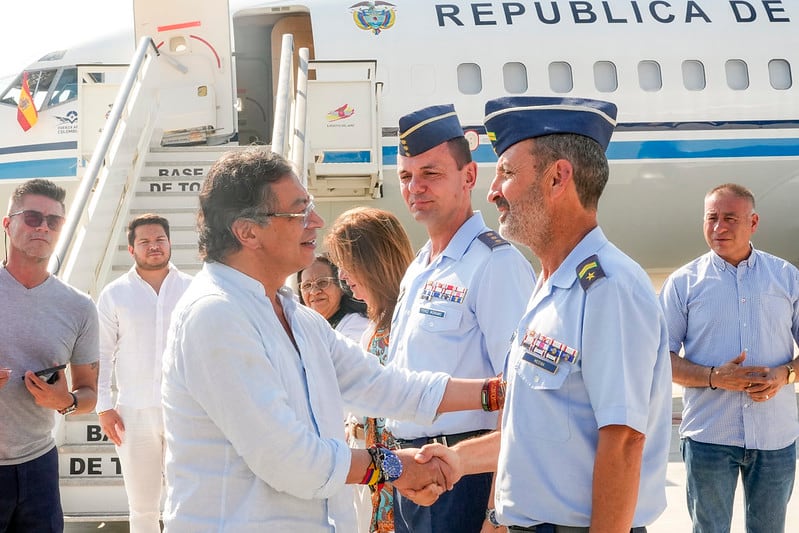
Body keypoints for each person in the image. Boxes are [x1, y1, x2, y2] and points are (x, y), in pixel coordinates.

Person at [160, 147, 487, 531]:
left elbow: (384, 385)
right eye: (298, 212)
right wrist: (396, 467)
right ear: (247, 232)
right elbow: (289, 459)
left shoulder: (295, 317)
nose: (315, 221)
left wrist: (498, 392)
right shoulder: (215, 315)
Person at [419, 96, 673, 532]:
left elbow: (625, 441)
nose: (493, 191)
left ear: (558, 178)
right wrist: (460, 459)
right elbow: (539, 431)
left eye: (508, 173)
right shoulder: (550, 285)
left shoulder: (608, 289)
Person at [389, 104, 536, 533]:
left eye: (430, 173)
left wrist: (496, 511)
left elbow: (520, 396)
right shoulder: (421, 266)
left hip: (465, 477)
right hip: (414, 474)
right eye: (405, 176)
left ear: (469, 177)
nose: (415, 187)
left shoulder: (495, 265)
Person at [659, 183, 799, 533]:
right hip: (709, 438)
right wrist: (713, 377)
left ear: (753, 222)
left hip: (775, 439)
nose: (719, 227)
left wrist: (787, 374)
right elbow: (660, 358)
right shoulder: (683, 284)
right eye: (711, 218)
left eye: (730, 218)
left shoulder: (786, 277)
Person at [0, 178, 99, 532]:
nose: (43, 226)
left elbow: (89, 395)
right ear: (8, 223)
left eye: (53, 220)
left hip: (39, 466)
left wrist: (66, 400)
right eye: (32, 217)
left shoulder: (79, 307)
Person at [95, 214, 193, 533]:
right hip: (133, 413)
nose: (154, 246)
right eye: (145, 242)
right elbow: (101, 353)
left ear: (169, 243)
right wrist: (104, 407)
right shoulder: (114, 293)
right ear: (131, 248)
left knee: (187, 503)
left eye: (160, 240)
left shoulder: (193, 289)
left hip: (185, 411)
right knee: (142, 507)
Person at [326, 207, 416, 533]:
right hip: (375, 476)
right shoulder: (373, 324)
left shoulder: (409, 320)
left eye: (348, 266)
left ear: (373, 262)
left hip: (405, 477)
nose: (344, 277)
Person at [297, 254, 369, 342]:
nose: (314, 292)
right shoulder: (305, 330)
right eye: (307, 285)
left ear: (341, 287)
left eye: (323, 282)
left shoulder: (356, 326)